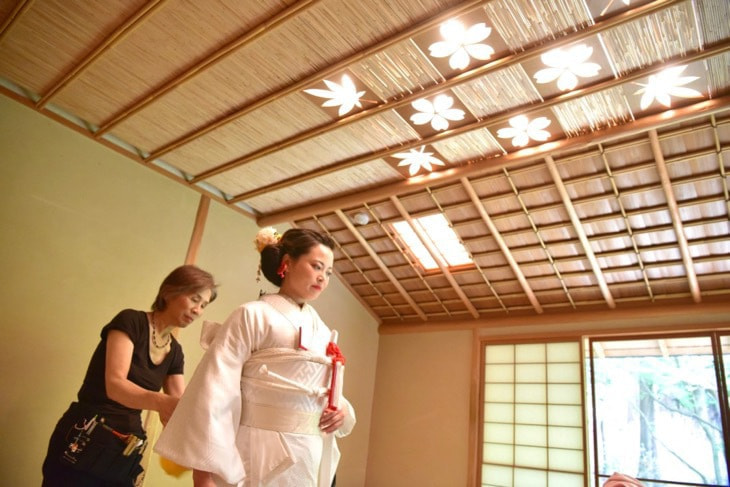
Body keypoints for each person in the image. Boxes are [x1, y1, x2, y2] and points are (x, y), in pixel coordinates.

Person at [154, 227, 356, 487]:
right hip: (255, 446)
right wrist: (202, 472)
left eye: (328, 273)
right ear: (287, 263)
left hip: (309, 453)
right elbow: (215, 390)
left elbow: (325, 390)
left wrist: (340, 410)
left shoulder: (323, 331)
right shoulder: (251, 315)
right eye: (316, 266)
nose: (322, 278)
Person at [41, 265, 218, 486]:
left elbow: (177, 409)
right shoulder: (130, 321)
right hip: (85, 435)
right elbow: (115, 385)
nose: (198, 310)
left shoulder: (175, 352)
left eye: (203, 305)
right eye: (194, 299)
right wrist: (161, 402)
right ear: (169, 292)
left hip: (124, 448)